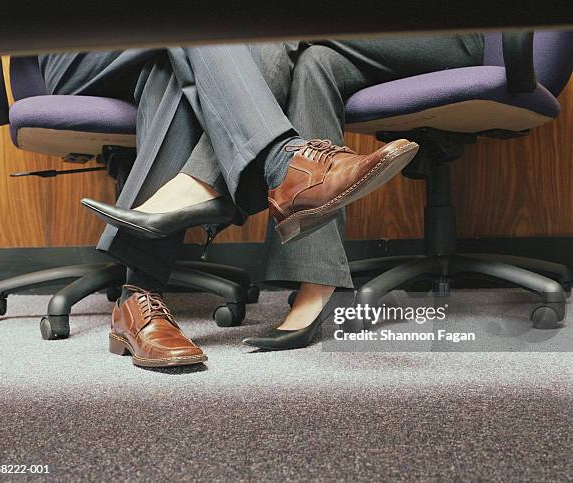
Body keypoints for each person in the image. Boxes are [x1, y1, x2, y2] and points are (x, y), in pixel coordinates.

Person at [40, 34, 483, 365]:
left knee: (191, 68)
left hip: (162, 48)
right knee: (224, 27)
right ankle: (283, 169)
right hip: (81, 39)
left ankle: (140, 294)